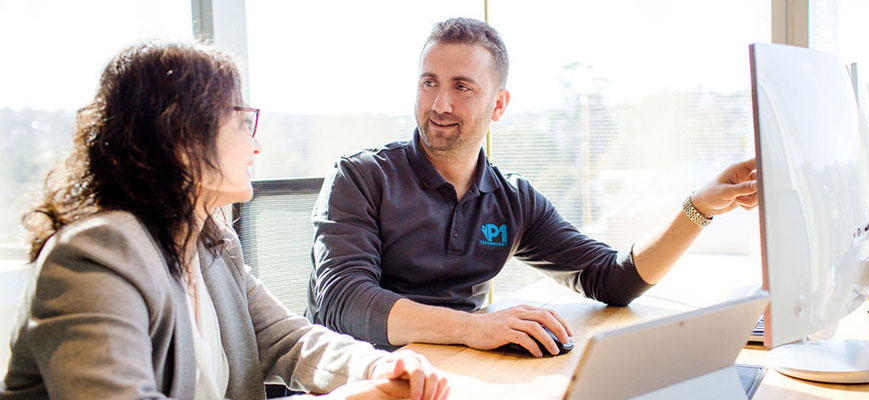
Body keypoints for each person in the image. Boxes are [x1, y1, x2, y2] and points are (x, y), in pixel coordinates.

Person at [1, 42, 448, 400]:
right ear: (181, 139)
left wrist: (378, 366)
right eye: (241, 123)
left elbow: (285, 338)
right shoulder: (96, 256)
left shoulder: (209, 243)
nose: (256, 145)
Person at [307, 18, 758, 357]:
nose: (440, 104)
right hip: (360, 379)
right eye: (430, 83)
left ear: (498, 104)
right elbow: (344, 304)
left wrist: (699, 207)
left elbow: (611, 279)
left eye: (462, 87)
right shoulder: (360, 177)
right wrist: (475, 328)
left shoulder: (512, 200)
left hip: (456, 375)